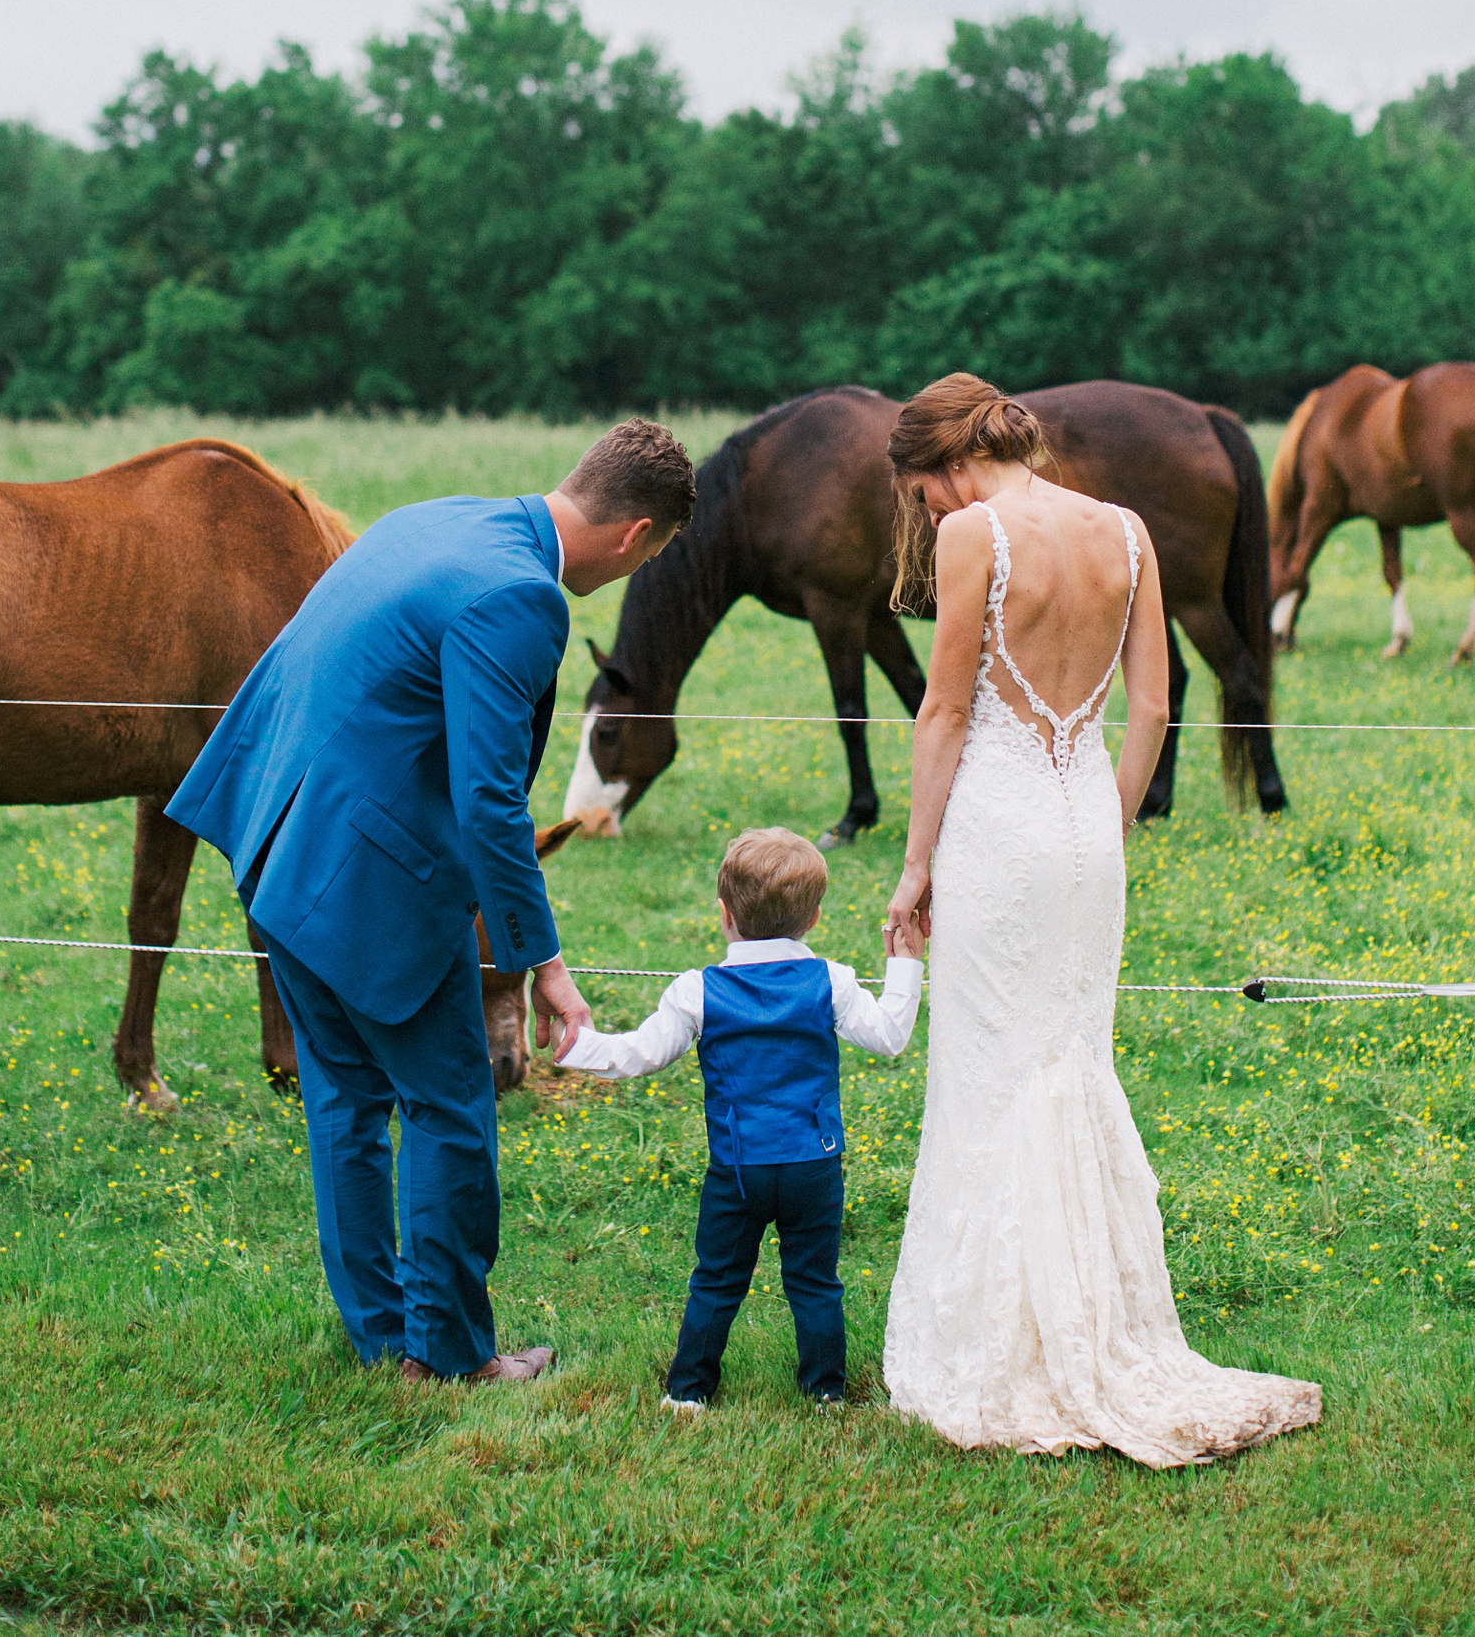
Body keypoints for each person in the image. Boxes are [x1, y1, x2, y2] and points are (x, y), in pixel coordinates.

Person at [167, 419, 696, 1387]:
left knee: (345, 1102)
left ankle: (381, 1341)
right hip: (366, 876)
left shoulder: (440, 518)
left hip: (278, 834)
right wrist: (547, 965)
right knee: (450, 1103)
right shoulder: (522, 597)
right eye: (651, 557)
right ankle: (450, 1356)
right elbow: (490, 800)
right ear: (636, 537)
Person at [879, 374, 1320, 1464]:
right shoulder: (1125, 530)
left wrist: (914, 862)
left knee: (990, 1069)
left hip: (996, 820)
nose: (928, 515)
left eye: (921, 495)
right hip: (1083, 821)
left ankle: (1001, 1348)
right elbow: (1157, 705)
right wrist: (1110, 819)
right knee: (1072, 1054)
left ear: (945, 467)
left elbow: (943, 710)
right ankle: (1095, 1323)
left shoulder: (977, 533)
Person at [561, 827, 923, 1409]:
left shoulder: (696, 990)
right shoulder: (830, 980)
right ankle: (825, 1390)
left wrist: (574, 1046)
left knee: (717, 1280)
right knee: (814, 1282)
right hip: (813, 1163)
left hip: (737, 1169)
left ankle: (688, 1392)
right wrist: (904, 965)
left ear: (723, 914)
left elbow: (639, 1054)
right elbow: (888, 1037)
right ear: (815, 918)